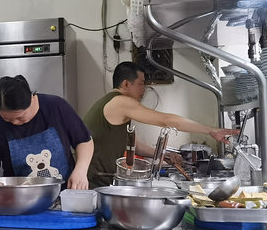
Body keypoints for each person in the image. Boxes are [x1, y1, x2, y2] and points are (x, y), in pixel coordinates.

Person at [82, 61, 237, 188]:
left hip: (99, 178)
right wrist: (210, 130)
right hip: (93, 181)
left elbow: (130, 143)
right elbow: (167, 121)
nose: (144, 90)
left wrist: (164, 155)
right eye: (141, 84)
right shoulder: (120, 102)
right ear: (126, 84)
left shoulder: (112, 102)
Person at [0, 75, 93, 189]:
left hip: (65, 195)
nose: (14, 123)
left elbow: (84, 141)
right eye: (7, 119)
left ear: (32, 98)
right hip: (21, 201)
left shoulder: (56, 107)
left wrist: (80, 171)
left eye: (20, 117)